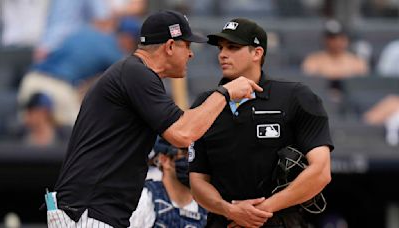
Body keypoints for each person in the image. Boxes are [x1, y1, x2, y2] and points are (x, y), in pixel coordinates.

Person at [45, 10, 262, 228]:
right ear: (169, 46)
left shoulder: (135, 74)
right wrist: (225, 93)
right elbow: (183, 134)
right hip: (88, 210)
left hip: (91, 209)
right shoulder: (136, 73)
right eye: (187, 45)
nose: (191, 54)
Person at [188, 18, 334, 228]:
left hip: (280, 222)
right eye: (221, 48)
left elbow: (321, 171)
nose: (222, 54)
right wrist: (230, 210)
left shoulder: (296, 97)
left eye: (233, 47)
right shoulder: (204, 104)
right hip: (225, 222)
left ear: (257, 53)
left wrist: (258, 211)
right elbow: (198, 181)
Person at [18, 17, 141, 126]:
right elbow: (130, 80)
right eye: (134, 43)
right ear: (127, 38)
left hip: (31, 81)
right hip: (58, 88)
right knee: (78, 135)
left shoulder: (85, 31)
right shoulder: (113, 51)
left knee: (27, 137)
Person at [129, 136, 207, 227]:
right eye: (186, 154)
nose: (192, 161)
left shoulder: (206, 206)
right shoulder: (146, 198)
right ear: (164, 160)